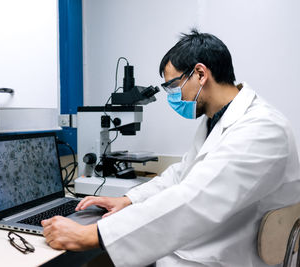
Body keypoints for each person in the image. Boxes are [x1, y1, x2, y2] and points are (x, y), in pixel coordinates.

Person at [41, 29, 300, 266]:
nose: (173, 97)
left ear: (200, 74)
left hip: (223, 258)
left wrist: (93, 234)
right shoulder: (218, 120)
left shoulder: (262, 128)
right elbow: (181, 175)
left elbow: (194, 200)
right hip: (197, 248)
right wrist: (128, 199)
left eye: (173, 86)